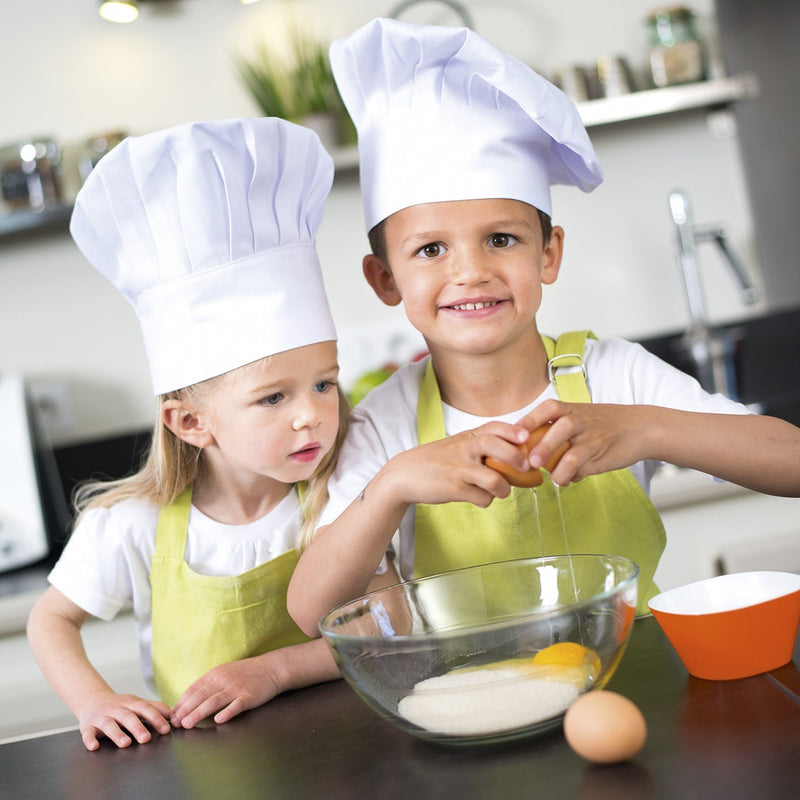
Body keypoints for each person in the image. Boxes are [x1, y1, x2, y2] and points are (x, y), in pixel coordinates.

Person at [287, 18, 800, 635]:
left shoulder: (613, 375)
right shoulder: (385, 427)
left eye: (501, 239)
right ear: (385, 279)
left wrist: (647, 428)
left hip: (640, 677)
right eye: (430, 250)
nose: (471, 272)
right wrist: (393, 486)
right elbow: (313, 613)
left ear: (548, 254)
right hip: (473, 700)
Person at [27, 118, 349, 751]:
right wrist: (94, 699)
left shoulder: (341, 492)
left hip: (346, 754)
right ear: (192, 422)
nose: (310, 414)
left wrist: (276, 670)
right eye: (273, 397)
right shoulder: (135, 523)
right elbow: (52, 620)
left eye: (324, 383)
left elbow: (386, 626)